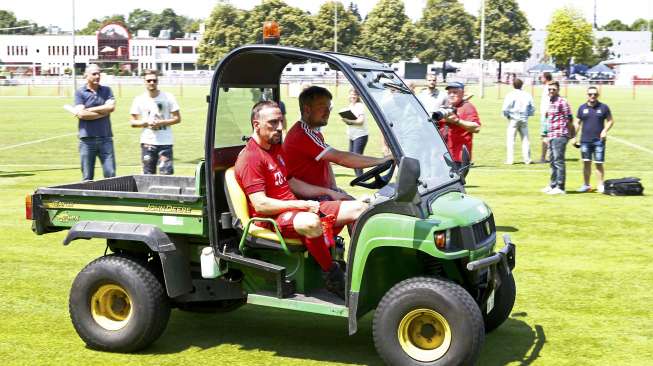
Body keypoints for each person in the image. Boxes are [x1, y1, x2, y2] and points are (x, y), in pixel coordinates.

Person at [235, 101, 369, 299]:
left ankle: (359, 270)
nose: (280, 127)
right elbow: (261, 204)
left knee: (361, 209)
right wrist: (302, 204)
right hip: (273, 219)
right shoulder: (250, 158)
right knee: (311, 222)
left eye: (281, 121)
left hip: (294, 209)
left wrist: (329, 192)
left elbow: (293, 183)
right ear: (257, 125)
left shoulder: (275, 148)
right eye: (273, 123)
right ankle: (332, 274)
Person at [282, 86, 390, 196]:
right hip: (309, 198)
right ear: (307, 109)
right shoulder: (303, 135)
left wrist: (333, 187)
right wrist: (381, 160)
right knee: (361, 208)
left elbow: (326, 161)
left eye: (329, 108)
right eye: (322, 108)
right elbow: (341, 158)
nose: (327, 112)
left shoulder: (314, 132)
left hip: (321, 193)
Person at [129, 70, 181, 175]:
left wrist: (162, 123)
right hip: (147, 143)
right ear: (144, 82)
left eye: (154, 80)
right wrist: (146, 122)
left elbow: (177, 118)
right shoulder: (139, 99)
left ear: (158, 81)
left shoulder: (168, 97)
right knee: (147, 176)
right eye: (149, 80)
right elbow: (132, 121)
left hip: (165, 143)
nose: (152, 82)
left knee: (166, 177)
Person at [573, 86, 614, 193]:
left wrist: (605, 131)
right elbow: (577, 123)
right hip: (585, 141)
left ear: (598, 95)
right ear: (587, 95)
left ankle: (600, 185)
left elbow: (610, 121)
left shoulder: (604, 107)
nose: (592, 96)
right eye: (590, 94)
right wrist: (574, 136)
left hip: (599, 141)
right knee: (586, 163)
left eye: (595, 94)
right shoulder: (582, 108)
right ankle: (586, 185)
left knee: (599, 163)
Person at [437, 82, 481, 173]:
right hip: (445, 155)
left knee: (453, 186)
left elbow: (476, 128)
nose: (451, 95)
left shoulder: (467, 107)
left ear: (462, 93)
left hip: (459, 157)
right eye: (449, 93)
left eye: (455, 92)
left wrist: (457, 121)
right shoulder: (447, 108)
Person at [542, 81, 574, 195]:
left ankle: (561, 186)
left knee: (558, 161)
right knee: (552, 161)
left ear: (558, 90)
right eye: (549, 89)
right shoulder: (550, 102)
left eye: (553, 89)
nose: (551, 91)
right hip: (551, 134)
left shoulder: (562, 102)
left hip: (560, 135)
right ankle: (553, 184)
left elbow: (569, 118)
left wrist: (572, 135)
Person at [501, 78, 535, 165]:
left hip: (513, 119)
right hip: (524, 119)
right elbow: (532, 107)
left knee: (511, 140)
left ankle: (510, 160)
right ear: (522, 85)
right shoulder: (527, 95)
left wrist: (507, 116)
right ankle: (527, 159)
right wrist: (528, 115)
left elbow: (505, 108)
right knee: (525, 139)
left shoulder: (510, 95)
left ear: (513, 85)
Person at [341, 88, 369, 177]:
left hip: (360, 135)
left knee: (357, 158)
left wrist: (349, 121)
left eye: (355, 95)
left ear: (358, 96)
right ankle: (358, 177)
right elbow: (351, 121)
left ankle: (361, 178)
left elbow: (360, 121)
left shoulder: (360, 106)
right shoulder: (350, 106)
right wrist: (346, 121)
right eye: (351, 94)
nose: (353, 96)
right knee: (352, 158)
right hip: (352, 136)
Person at [539, 72, 553, 163]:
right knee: (548, 136)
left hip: (546, 115)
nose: (540, 79)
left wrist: (547, 111)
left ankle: (544, 158)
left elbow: (550, 101)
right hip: (545, 114)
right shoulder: (548, 87)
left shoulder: (549, 88)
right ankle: (549, 156)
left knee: (545, 136)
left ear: (545, 78)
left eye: (541, 77)